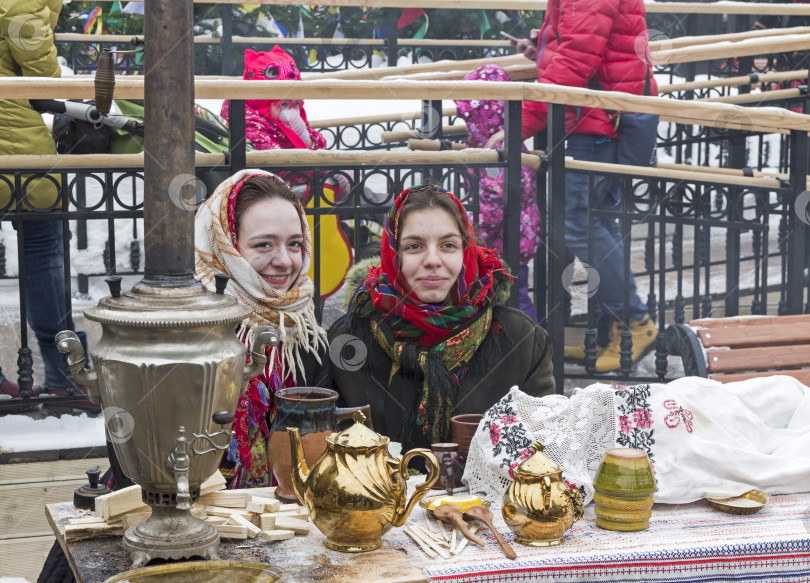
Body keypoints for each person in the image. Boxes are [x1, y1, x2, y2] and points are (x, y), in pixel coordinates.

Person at [486, 0, 658, 373]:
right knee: (592, 224)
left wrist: (521, 126)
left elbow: (578, 61)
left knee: (580, 225)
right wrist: (543, 49)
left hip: (593, 126)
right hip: (593, 122)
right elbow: (586, 46)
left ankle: (633, 322)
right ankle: (615, 330)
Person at [328, 184, 555, 453]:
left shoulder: (521, 341)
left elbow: (544, 448)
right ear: (394, 255)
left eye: (448, 245)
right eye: (414, 246)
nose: (432, 260)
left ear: (466, 251)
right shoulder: (350, 338)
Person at [195, 169, 331, 488]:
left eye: (294, 244)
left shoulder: (305, 333)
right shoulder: (189, 328)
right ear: (224, 246)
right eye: (264, 245)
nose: (284, 261)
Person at [0, 0, 94, 411]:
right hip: (18, 156)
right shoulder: (21, 3)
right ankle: (65, 374)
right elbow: (44, 81)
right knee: (44, 255)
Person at [454, 64, 542, 323]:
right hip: (502, 244)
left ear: (485, 115)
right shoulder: (488, 142)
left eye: (471, 116)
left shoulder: (499, 149)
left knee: (514, 301)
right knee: (504, 299)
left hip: (503, 247)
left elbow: (495, 203)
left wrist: (470, 232)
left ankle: (532, 349)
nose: (466, 120)